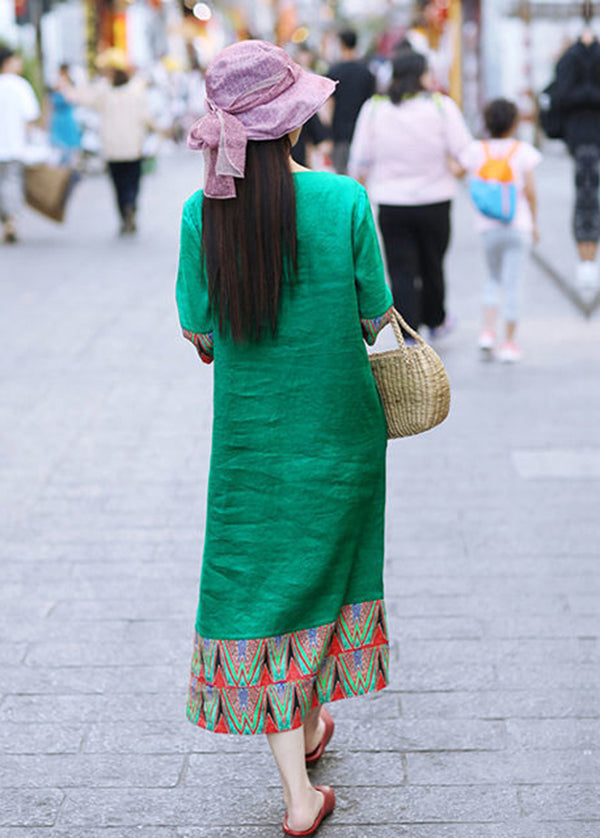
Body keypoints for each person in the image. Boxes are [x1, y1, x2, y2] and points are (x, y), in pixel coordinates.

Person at [176, 40, 393, 836]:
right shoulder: (344, 201)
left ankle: (301, 745)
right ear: (294, 119)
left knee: (262, 584)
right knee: (324, 573)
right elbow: (376, 318)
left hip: (250, 443)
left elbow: (199, 331)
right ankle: (300, 797)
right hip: (340, 431)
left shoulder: (204, 213)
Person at [349, 49, 471, 337]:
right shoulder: (441, 107)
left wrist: (360, 187)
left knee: (401, 268)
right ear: (422, 74)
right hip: (436, 200)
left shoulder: (375, 109)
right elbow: (465, 152)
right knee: (433, 262)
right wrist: (456, 169)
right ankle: (436, 319)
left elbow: (359, 159)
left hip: (392, 202)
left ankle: (408, 330)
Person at [457, 99, 541, 363]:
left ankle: (487, 333)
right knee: (513, 282)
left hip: (488, 227)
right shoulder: (522, 151)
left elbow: (458, 171)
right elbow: (530, 192)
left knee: (493, 278)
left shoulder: (475, 149)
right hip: (518, 226)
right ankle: (509, 342)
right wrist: (535, 224)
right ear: (515, 123)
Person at [72, 49, 151, 235]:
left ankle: (125, 214)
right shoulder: (137, 88)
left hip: (112, 146)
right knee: (133, 181)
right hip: (133, 145)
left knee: (118, 183)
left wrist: (78, 85)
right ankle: (131, 204)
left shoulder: (102, 91)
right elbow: (146, 116)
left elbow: (84, 100)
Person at [551, 12, 600, 294]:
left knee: (585, 196)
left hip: (580, 135)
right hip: (583, 137)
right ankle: (586, 260)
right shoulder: (571, 57)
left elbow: (559, 96)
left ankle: (588, 261)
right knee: (586, 196)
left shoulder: (568, 58)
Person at [0, 44, 40, 244]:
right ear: (7, 62)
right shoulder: (19, 86)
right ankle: (11, 221)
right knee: (12, 182)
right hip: (14, 145)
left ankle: (6, 218)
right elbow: (30, 117)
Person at [326, 29, 375, 174]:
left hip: (339, 131)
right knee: (361, 174)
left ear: (341, 45)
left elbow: (329, 106)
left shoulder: (334, 72)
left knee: (341, 173)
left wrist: (327, 131)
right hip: (362, 128)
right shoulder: (367, 73)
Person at [48, 64, 82, 166]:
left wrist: (65, 89)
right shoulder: (54, 90)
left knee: (70, 153)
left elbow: (74, 100)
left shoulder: (70, 88)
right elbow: (49, 106)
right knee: (58, 153)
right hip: (58, 121)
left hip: (68, 121)